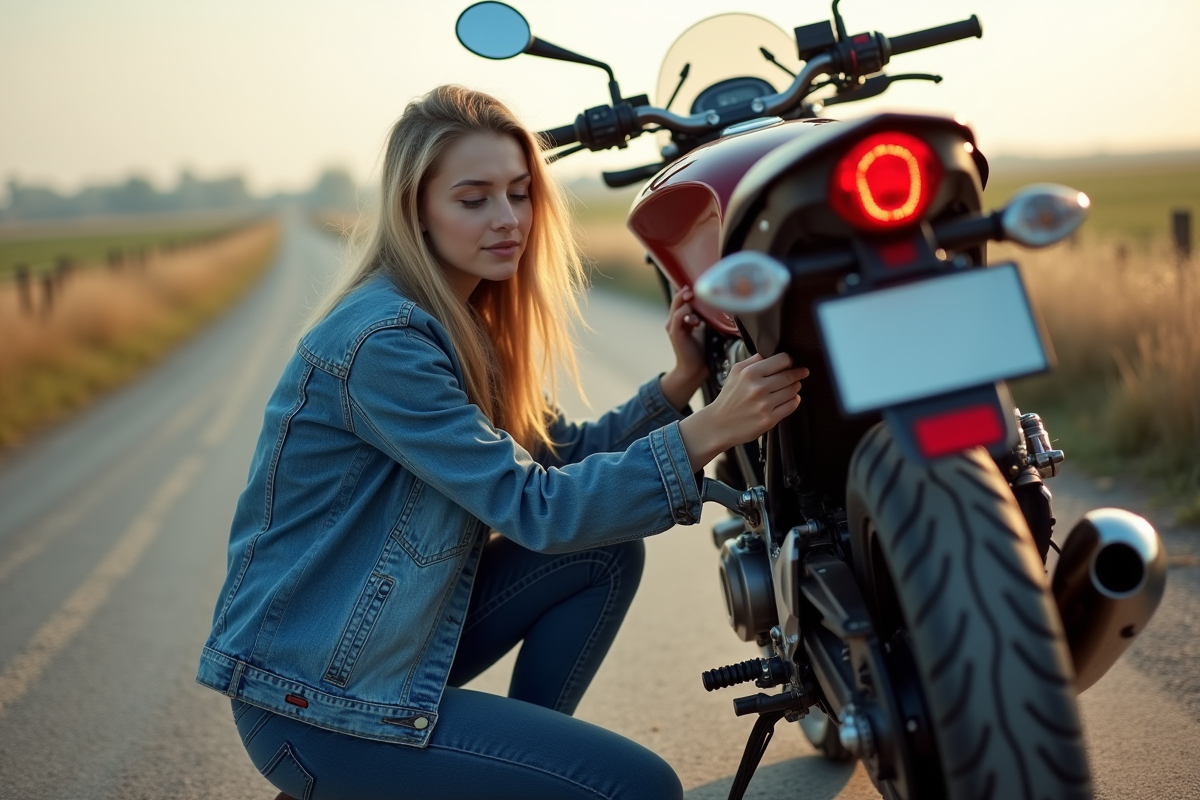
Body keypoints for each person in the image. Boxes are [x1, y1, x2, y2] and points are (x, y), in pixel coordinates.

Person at [196, 85, 807, 800]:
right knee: (639, 789)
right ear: (415, 210)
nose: (508, 219)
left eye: (519, 194)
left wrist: (678, 388)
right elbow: (537, 509)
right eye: (474, 198)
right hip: (317, 701)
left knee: (601, 556)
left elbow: (557, 457)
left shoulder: (456, 320)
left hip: (382, 647)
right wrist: (708, 431)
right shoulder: (384, 342)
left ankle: (498, 774)